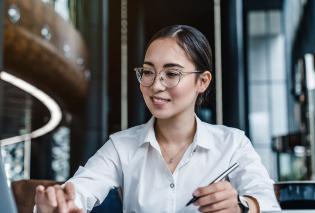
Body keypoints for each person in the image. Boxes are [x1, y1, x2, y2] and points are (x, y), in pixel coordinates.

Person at [35, 25, 280, 213]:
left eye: (171, 73)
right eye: (148, 72)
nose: (155, 85)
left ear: (202, 81)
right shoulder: (122, 146)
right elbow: (81, 189)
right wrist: (58, 203)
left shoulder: (232, 143)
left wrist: (242, 205)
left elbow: (268, 201)